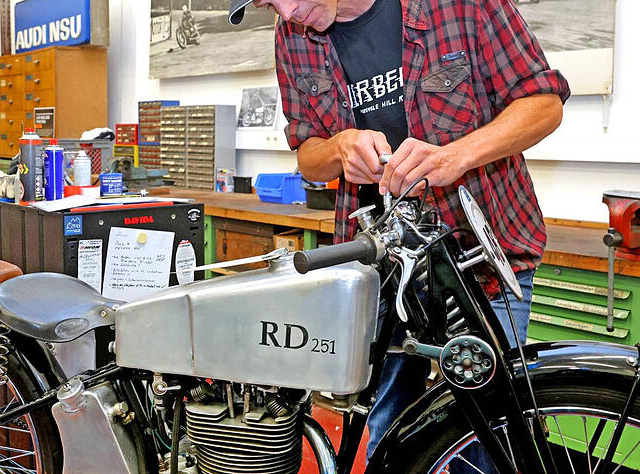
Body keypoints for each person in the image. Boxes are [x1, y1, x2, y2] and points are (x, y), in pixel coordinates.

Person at [228, 0, 570, 466]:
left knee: (490, 433)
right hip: (382, 264)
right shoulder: (293, 33)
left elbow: (545, 104)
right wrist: (339, 147)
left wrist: (456, 157)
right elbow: (307, 153)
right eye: (271, 3)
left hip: (481, 253)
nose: (288, 11)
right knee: (388, 423)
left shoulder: (458, 6)